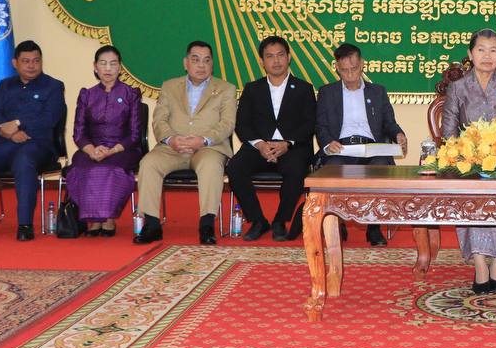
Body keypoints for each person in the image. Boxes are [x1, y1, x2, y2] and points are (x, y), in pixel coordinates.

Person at [440, 28, 496, 294]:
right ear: (470, 54)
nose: (487, 56)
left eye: (493, 51)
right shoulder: (457, 87)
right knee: (472, 195)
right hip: (469, 161)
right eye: (481, 50)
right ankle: (480, 264)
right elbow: (449, 132)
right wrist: (465, 154)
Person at [0, 40, 66, 242]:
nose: (32, 65)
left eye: (36, 61)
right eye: (26, 61)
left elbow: (50, 118)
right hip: (5, 142)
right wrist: (9, 133)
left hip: (37, 144)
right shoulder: (6, 85)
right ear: (15, 63)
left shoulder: (53, 86)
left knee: (24, 161)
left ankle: (25, 224)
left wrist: (17, 123)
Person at [134, 41, 236, 246]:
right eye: (195, 60)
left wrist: (203, 139)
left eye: (207, 60)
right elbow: (159, 120)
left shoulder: (226, 89)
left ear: (212, 64)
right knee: (149, 163)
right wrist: (171, 139)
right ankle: (152, 224)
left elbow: (227, 124)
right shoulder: (169, 86)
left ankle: (206, 224)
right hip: (173, 147)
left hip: (208, 147)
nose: (201, 65)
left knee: (210, 165)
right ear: (185, 63)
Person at [228, 36, 317, 243]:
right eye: (270, 56)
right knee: (235, 167)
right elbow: (242, 124)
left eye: (280, 55)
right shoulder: (252, 88)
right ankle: (258, 220)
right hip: (259, 147)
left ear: (289, 57)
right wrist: (260, 144)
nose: (276, 61)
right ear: (262, 61)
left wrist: (287, 143)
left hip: (291, 147)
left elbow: (309, 123)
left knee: (296, 169)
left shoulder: (303, 88)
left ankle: (280, 220)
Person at [315, 43, 405, 246]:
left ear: (362, 64)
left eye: (354, 68)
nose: (350, 75)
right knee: (333, 168)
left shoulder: (378, 92)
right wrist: (328, 143)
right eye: (344, 70)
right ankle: (337, 223)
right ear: (337, 68)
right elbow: (321, 126)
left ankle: (374, 227)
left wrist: (399, 134)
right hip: (342, 147)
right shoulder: (327, 93)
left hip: (372, 147)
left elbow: (389, 123)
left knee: (380, 167)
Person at [65, 45, 142, 237]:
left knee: (107, 168)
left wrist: (112, 150)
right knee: (83, 167)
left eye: (113, 64)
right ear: (95, 66)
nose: (108, 69)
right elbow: (79, 133)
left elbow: (134, 134)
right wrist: (91, 150)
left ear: (120, 68)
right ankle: (93, 219)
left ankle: (108, 219)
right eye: (103, 63)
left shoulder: (131, 94)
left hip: (122, 149)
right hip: (91, 148)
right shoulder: (87, 94)